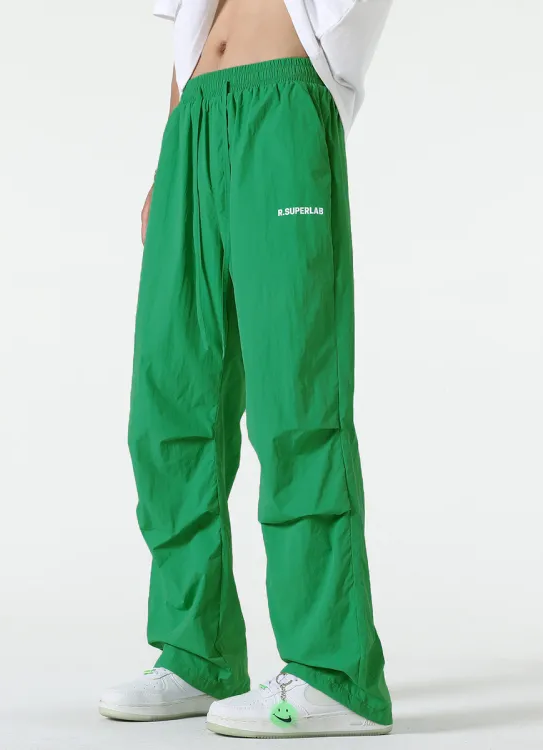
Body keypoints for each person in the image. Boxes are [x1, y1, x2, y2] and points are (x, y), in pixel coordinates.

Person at [100, 0, 394, 738]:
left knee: (296, 403)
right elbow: (188, 32)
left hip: (284, 109)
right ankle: (196, 651)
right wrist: (171, 149)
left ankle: (335, 671)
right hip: (195, 120)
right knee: (171, 405)